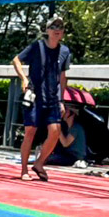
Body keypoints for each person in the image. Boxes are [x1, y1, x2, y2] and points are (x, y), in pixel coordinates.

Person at [12, 15, 71, 182]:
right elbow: (16, 60)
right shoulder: (37, 46)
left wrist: (61, 100)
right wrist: (23, 78)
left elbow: (62, 76)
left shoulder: (65, 51)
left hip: (52, 98)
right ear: (47, 30)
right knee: (30, 131)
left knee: (55, 131)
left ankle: (39, 163)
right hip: (35, 95)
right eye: (53, 27)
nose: (57, 30)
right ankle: (24, 169)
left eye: (60, 27)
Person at [45, 101, 88, 167]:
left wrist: (58, 129)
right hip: (68, 154)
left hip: (74, 157)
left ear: (72, 114)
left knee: (48, 159)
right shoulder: (68, 127)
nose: (64, 112)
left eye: (67, 111)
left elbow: (65, 143)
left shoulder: (76, 127)